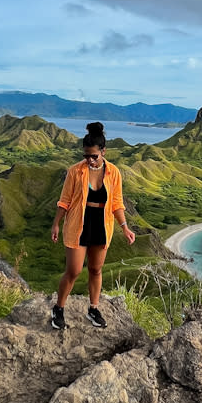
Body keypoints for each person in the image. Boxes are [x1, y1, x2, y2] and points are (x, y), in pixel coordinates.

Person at [50, 122, 135, 329]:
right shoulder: (75, 171)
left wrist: (124, 227)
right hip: (78, 223)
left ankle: (93, 308)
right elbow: (65, 200)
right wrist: (56, 224)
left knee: (96, 270)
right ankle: (59, 309)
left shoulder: (113, 173)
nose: (89, 160)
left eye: (93, 156)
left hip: (102, 225)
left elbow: (117, 203)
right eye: (86, 156)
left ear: (103, 152)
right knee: (74, 270)